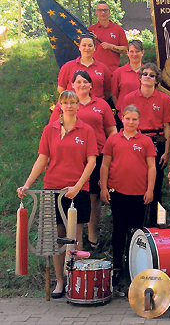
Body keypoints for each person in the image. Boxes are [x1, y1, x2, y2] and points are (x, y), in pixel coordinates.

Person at [17, 90, 97, 298]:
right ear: (59, 105)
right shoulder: (49, 130)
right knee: (56, 237)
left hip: (77, 190)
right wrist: (27, 184)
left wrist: (78, 186)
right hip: (52, 188)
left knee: (76, 237)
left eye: (73, 102)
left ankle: (75, 281)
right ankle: (60, 282)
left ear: (78, 105)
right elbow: (42, 159)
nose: (69, 106)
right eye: (65, 102)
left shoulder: (86, 130)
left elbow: (91, 162)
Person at [50, 71, 117, 248]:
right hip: (71, 158)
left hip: (97, 156)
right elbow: (52, 130)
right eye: (78, 82)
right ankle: (71, 237)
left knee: (94, 196)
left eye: (86, 82)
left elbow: (112, 131)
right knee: (75, 194)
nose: (82, 85)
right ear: (72, 84)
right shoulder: (63, 105)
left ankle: (92, 234)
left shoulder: (101, 104)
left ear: (91, 85)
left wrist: (113, 152)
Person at [100, 104, 156, 290]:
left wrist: (150, 190)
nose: (131, 122)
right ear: (121, 119)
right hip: (118, 192)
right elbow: (105, 165)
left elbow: (151, 167)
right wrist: (104, 187)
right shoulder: (113, 140)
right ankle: (117, 267)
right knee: (119, 231)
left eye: (134, 119)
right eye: (128, 118)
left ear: (139, 121)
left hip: (139, 194)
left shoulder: (146, 141)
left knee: (137, 233)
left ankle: (136, 268)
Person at [123, 63, 170, 226]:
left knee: (156, 188)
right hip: (136, 142)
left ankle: (155, 226)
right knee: (135, 184)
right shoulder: (129, 98)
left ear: (157, 80)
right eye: (145, 74)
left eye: (152, 75)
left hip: (156, 144)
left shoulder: (164, 99)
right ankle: (134, 225)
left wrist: (166, 152)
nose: (148, 77)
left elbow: (167, 126)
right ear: (139, 77)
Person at [58, 33, 112, 100]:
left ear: (95, 48)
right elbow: (61, 89)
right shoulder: (68, 66)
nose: (87, 48)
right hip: (74, 108)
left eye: (90, 45)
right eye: (84, 45)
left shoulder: (103, 68)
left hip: (95, 108)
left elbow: (107, 92)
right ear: (79, 47)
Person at [88, 1, 128, 74]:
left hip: (112, 72)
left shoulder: (118, 29)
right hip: (94, 71)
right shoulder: (91, 30)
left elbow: (126, 50)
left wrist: (111, 46)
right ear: (96, 12)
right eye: (100, 10)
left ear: (109, 12)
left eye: (105, 10)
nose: (103, 13)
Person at [111, 40, 145, 125]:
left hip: (144, 117)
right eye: (132, 51)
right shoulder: (119, 72)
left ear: (142, 52)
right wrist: (121, 110)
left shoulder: (148, 73)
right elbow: (114, 95)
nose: (134, 54)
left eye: (137, 51)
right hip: (123, 117)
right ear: (127, 53)